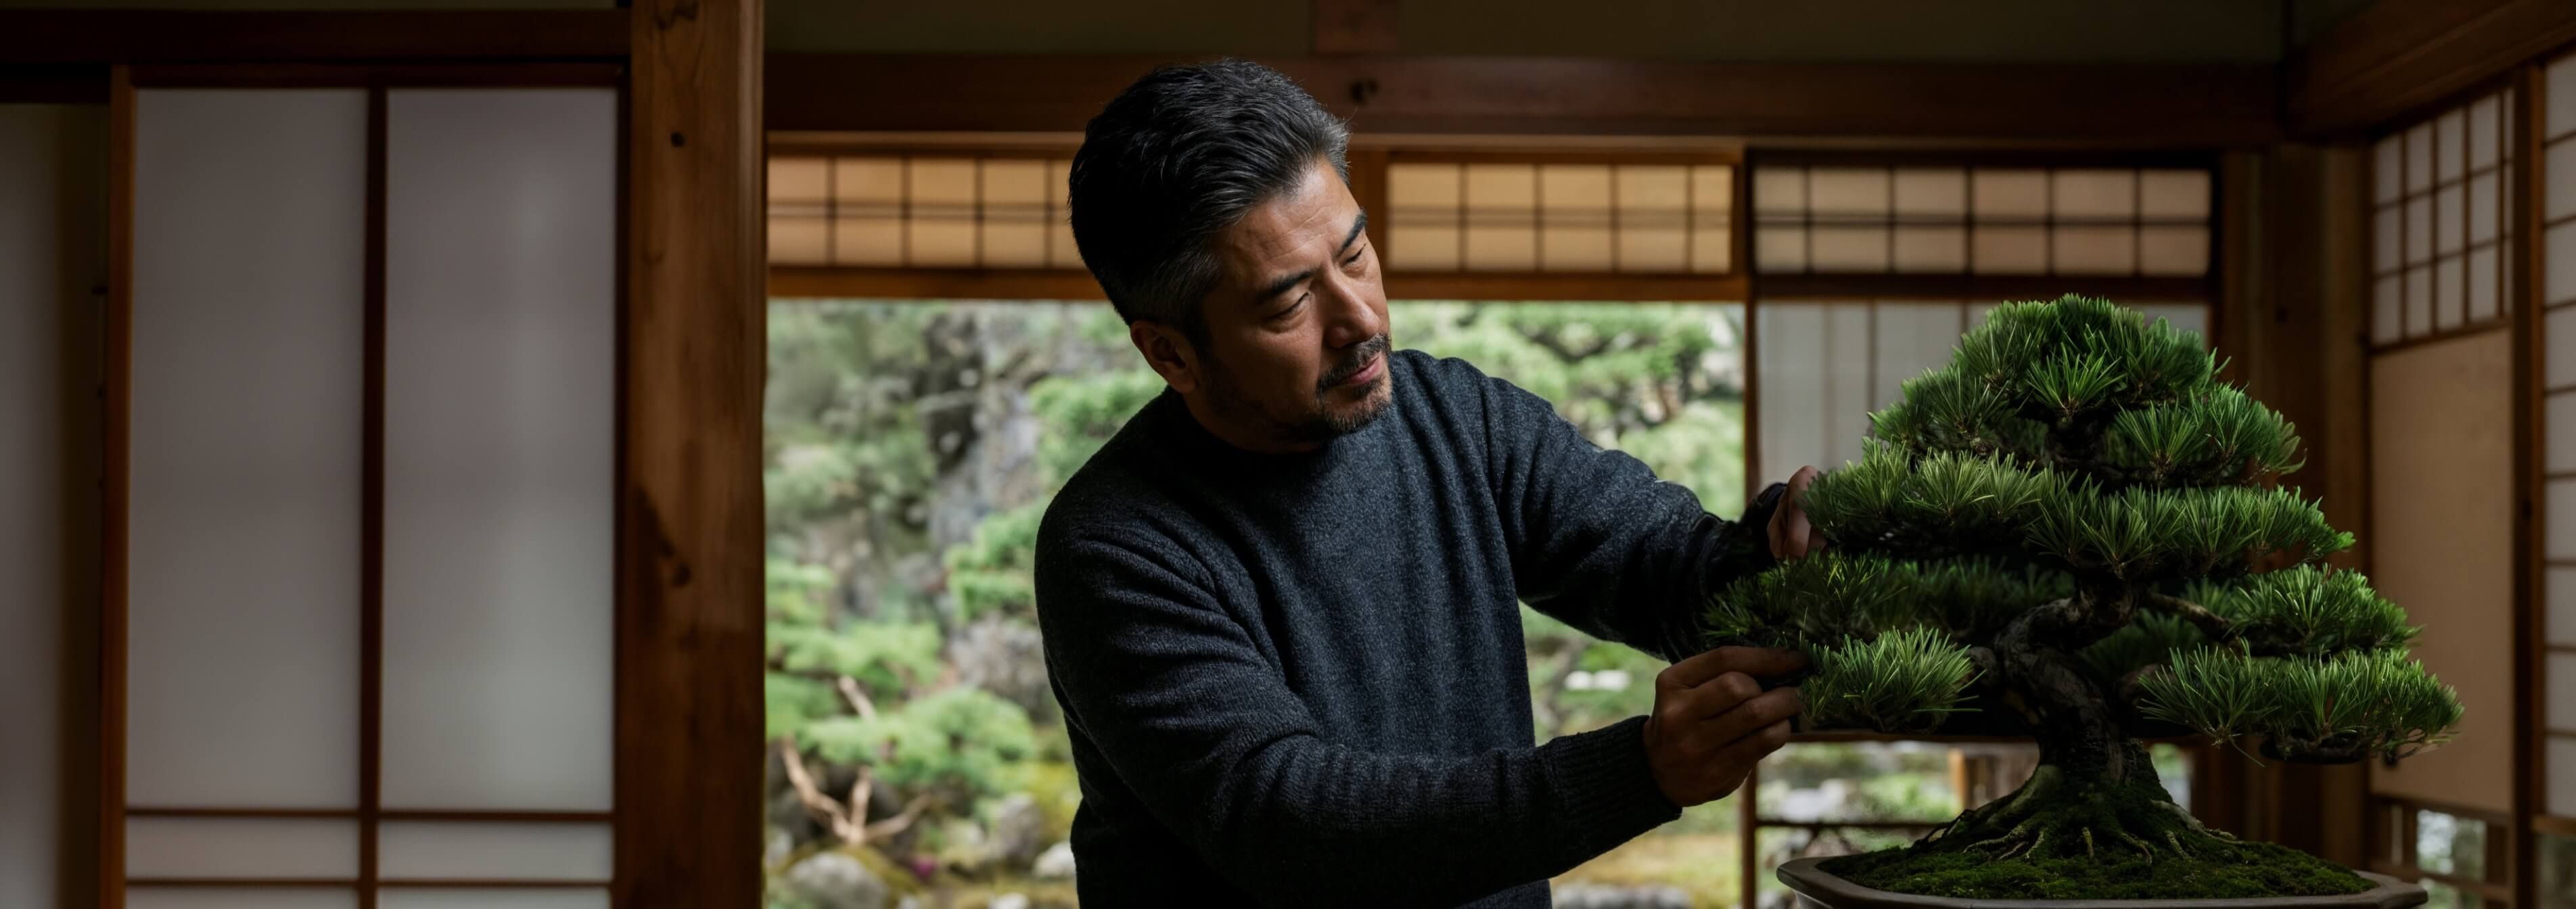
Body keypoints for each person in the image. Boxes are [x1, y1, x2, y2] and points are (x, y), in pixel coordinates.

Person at [1033, 59, 1825, 908]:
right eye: (1291, 304)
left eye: (1356, 254)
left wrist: (1794, 550)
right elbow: (1289, 822)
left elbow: (1665, 572)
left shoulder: (1455, 418)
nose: (1360, 318)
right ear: (1171, 353)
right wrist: (1638, 771)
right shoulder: (1115, 545)